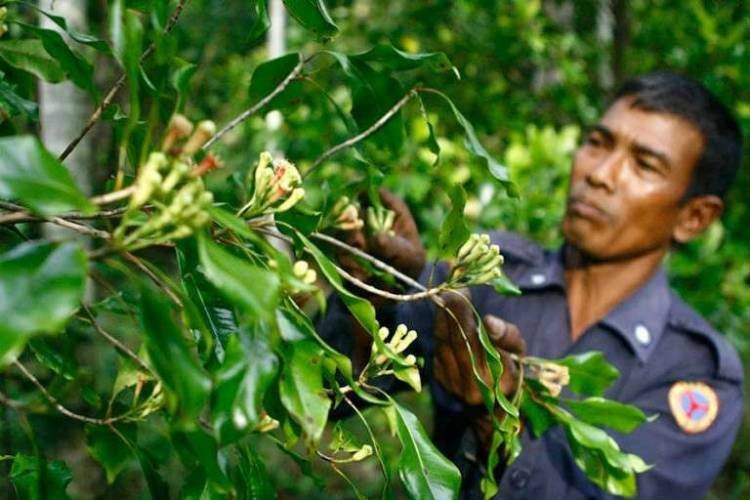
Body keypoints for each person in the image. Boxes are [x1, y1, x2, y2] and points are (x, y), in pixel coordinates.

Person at [318, 71, 744, 499]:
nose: (601, 175)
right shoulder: (491, 273)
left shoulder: (696, 370)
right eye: (598, 143)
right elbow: (330, 394)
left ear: (695, 218)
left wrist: (496, 421)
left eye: (645, 164)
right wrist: (376, 290)